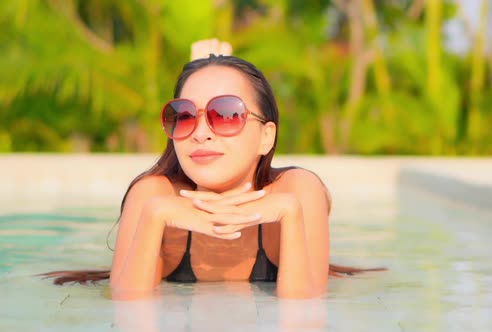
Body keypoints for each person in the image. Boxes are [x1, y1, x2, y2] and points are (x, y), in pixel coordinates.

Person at [42, 39, 383, 299]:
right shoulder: (153, 194)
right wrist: (155, 215)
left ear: (266, 137)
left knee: (212, 69)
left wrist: (289, 213)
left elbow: (305, 310)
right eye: (185, 115)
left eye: (227, 114)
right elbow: (127, 307)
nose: (201, 132)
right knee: (209, 72)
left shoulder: (296, 190)